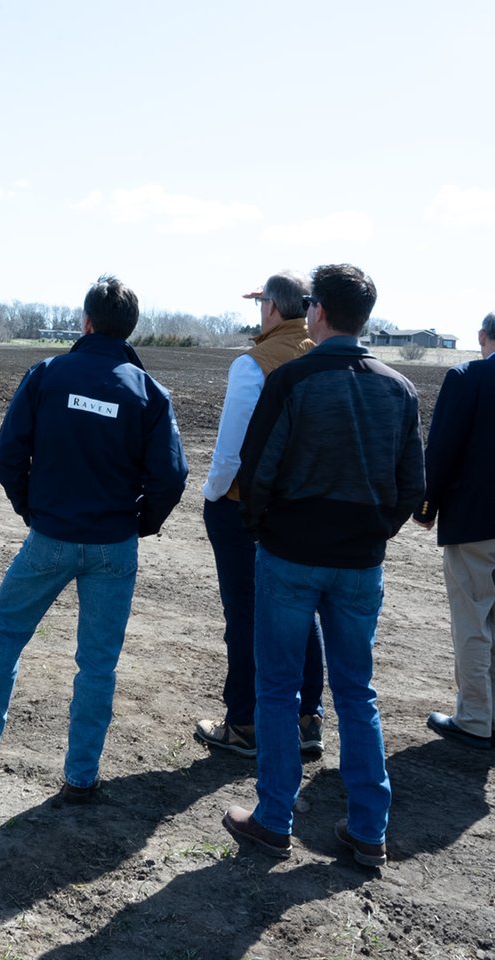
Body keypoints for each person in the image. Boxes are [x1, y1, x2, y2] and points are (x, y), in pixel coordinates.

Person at [222, 263, 424, 868]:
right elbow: (411, 487)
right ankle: (369, 829)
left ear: (318, 313)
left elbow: (257, 470)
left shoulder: (295, 380)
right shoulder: (398, 388)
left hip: (291, 555)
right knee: (357, 692)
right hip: (359, 562)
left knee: (279, 690)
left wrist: (265, 530)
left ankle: (273, 818)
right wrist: (370, 532)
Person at [0, 275, 188, 802]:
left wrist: (32, 509)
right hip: (114, 544)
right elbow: (171, 477)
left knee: (5, 634)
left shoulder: (47, 375)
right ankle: (81, 774)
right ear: (130, 329)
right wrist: (141, 523)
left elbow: (7, 456)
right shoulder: (148, 392)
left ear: (86, 321)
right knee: (98, 663)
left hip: (50, 536)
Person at [196, 273, 326, 760]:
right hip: (301, 505)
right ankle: (308, 716)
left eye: (261, 303)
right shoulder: (319, 355)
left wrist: (212, 495)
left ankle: (244, 722)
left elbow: (231, 449)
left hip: (243, 505)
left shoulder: (253, 365)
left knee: (244, 612)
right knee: (303, 609)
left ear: (272, 308)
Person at [413, 312, 495, 750]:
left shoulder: (467, 378)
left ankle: (476, 719)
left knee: (474, 621)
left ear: (482, 336)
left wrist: (426, 507)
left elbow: (441, 449)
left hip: (477, 522)